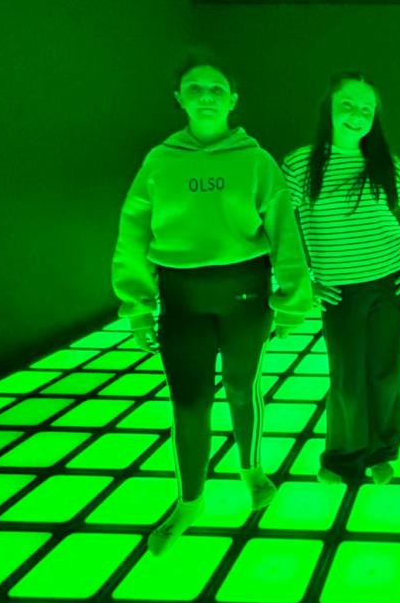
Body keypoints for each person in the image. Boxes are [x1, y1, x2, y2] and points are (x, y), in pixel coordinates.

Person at [112, 50, 313, 555]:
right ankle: (190, 502)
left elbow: (284, 231)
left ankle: (252, 471)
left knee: (243, 389)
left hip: (245, 294)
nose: (206, 96)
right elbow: (132, 236)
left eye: (216, 89)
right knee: (188, 402)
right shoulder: (160, 162)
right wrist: (137, 305)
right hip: (181, 301)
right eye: (195, 89)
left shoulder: (256, 161)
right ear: (179, 98)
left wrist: (293, 300)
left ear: (233, 100)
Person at [281, 71, 400, 485]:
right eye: (347, 104)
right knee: (347, 379)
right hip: (339, 291)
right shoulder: (300, 164)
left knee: (387, 373)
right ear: (329, 109)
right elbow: (278, 228)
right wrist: (301, 282)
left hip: (388, 283)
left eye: (367, 108)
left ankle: (382, 452)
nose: (357, 114)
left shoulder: (388, 164)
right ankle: (342, 458)